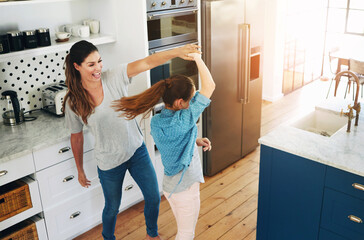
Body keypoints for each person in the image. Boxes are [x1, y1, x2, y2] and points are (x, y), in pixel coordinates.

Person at [62, 40, 201, 240]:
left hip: (136, 150)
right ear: (77, 66)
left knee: (153, 196)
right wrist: (80, 169)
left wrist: (178, 51)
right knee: (112, 208)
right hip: (109, 162)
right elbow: (76, 138)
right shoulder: (73, 102)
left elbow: (148, 62)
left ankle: (151, 235)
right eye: (91, 64)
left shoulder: (114, 77)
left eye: (99, 61)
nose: (98, 68)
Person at [112, 52, 215, 240]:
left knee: (182, 228)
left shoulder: (156, 121)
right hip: (185, 185)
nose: (193, 101)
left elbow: (173, 144)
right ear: (179, 102)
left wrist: (195, 140)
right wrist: (197, 58)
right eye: (191, 98)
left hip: (170, 188)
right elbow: (210, 86)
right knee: (186, 234)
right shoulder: (185, 118)